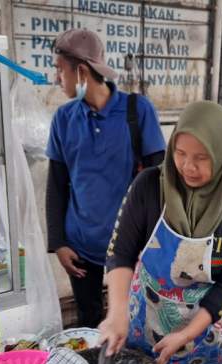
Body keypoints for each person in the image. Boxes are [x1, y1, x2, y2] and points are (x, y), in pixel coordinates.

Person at [97, 101, 222, 364]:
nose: (188, 166)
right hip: (144, 318)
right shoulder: (148, 187)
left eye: (201, 157)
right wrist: (117, 312)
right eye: (180, 153)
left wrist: (186, 333)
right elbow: (120, 252)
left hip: (203, 332)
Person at [46, 29, 167, 328]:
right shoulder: (63, 119)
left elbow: (159, 181)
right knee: (88, 320)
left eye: (60, 70)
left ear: (83, 71)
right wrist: (59, 242)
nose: (56, 78)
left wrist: (155, 245)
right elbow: (56, 185)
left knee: (133, 318)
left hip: (129, 246)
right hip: (80, 246)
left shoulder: (137, 111)